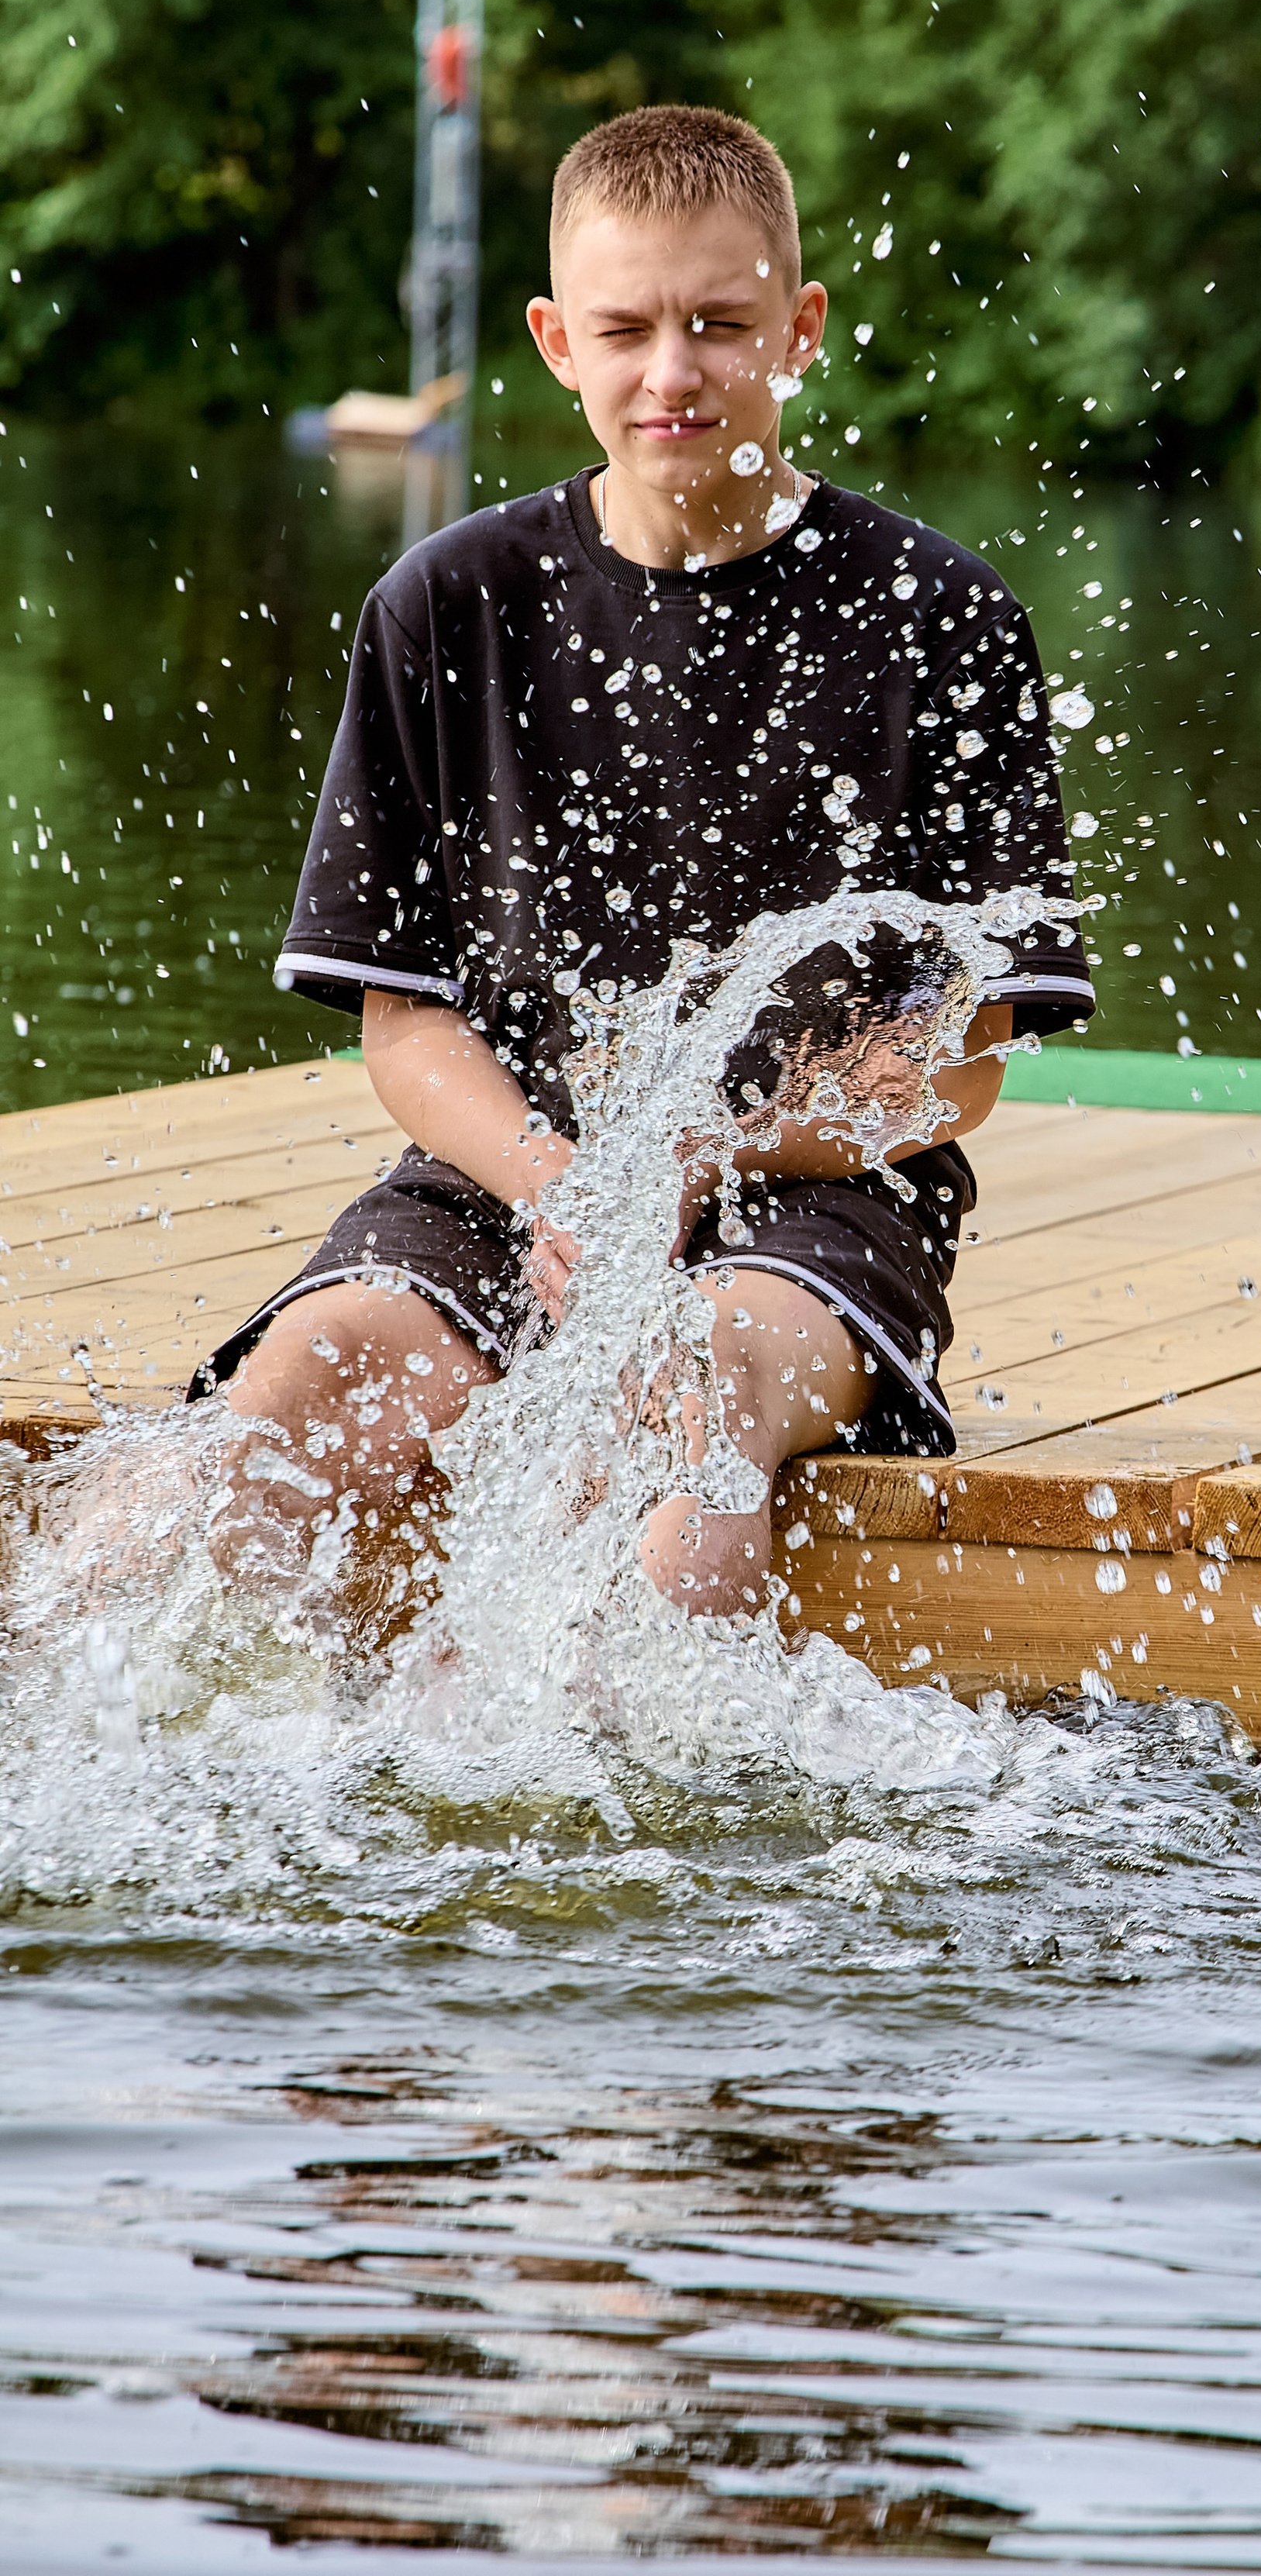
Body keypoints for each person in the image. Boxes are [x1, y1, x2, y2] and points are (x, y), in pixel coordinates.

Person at [191, 104, 1091, 1613]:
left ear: (800, 328)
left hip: (816, 1198)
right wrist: (568, 1189)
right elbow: (405, 1024)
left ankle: (637, 1765)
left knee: (690, 1384)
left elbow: (960, 1063)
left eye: (720, 325)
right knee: (295, 1394)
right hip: (504, 1174)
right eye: (625, 330)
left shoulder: (941, 619)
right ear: (557, 342)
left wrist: (690, 1164)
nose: (672, 373)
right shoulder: (446, 605)